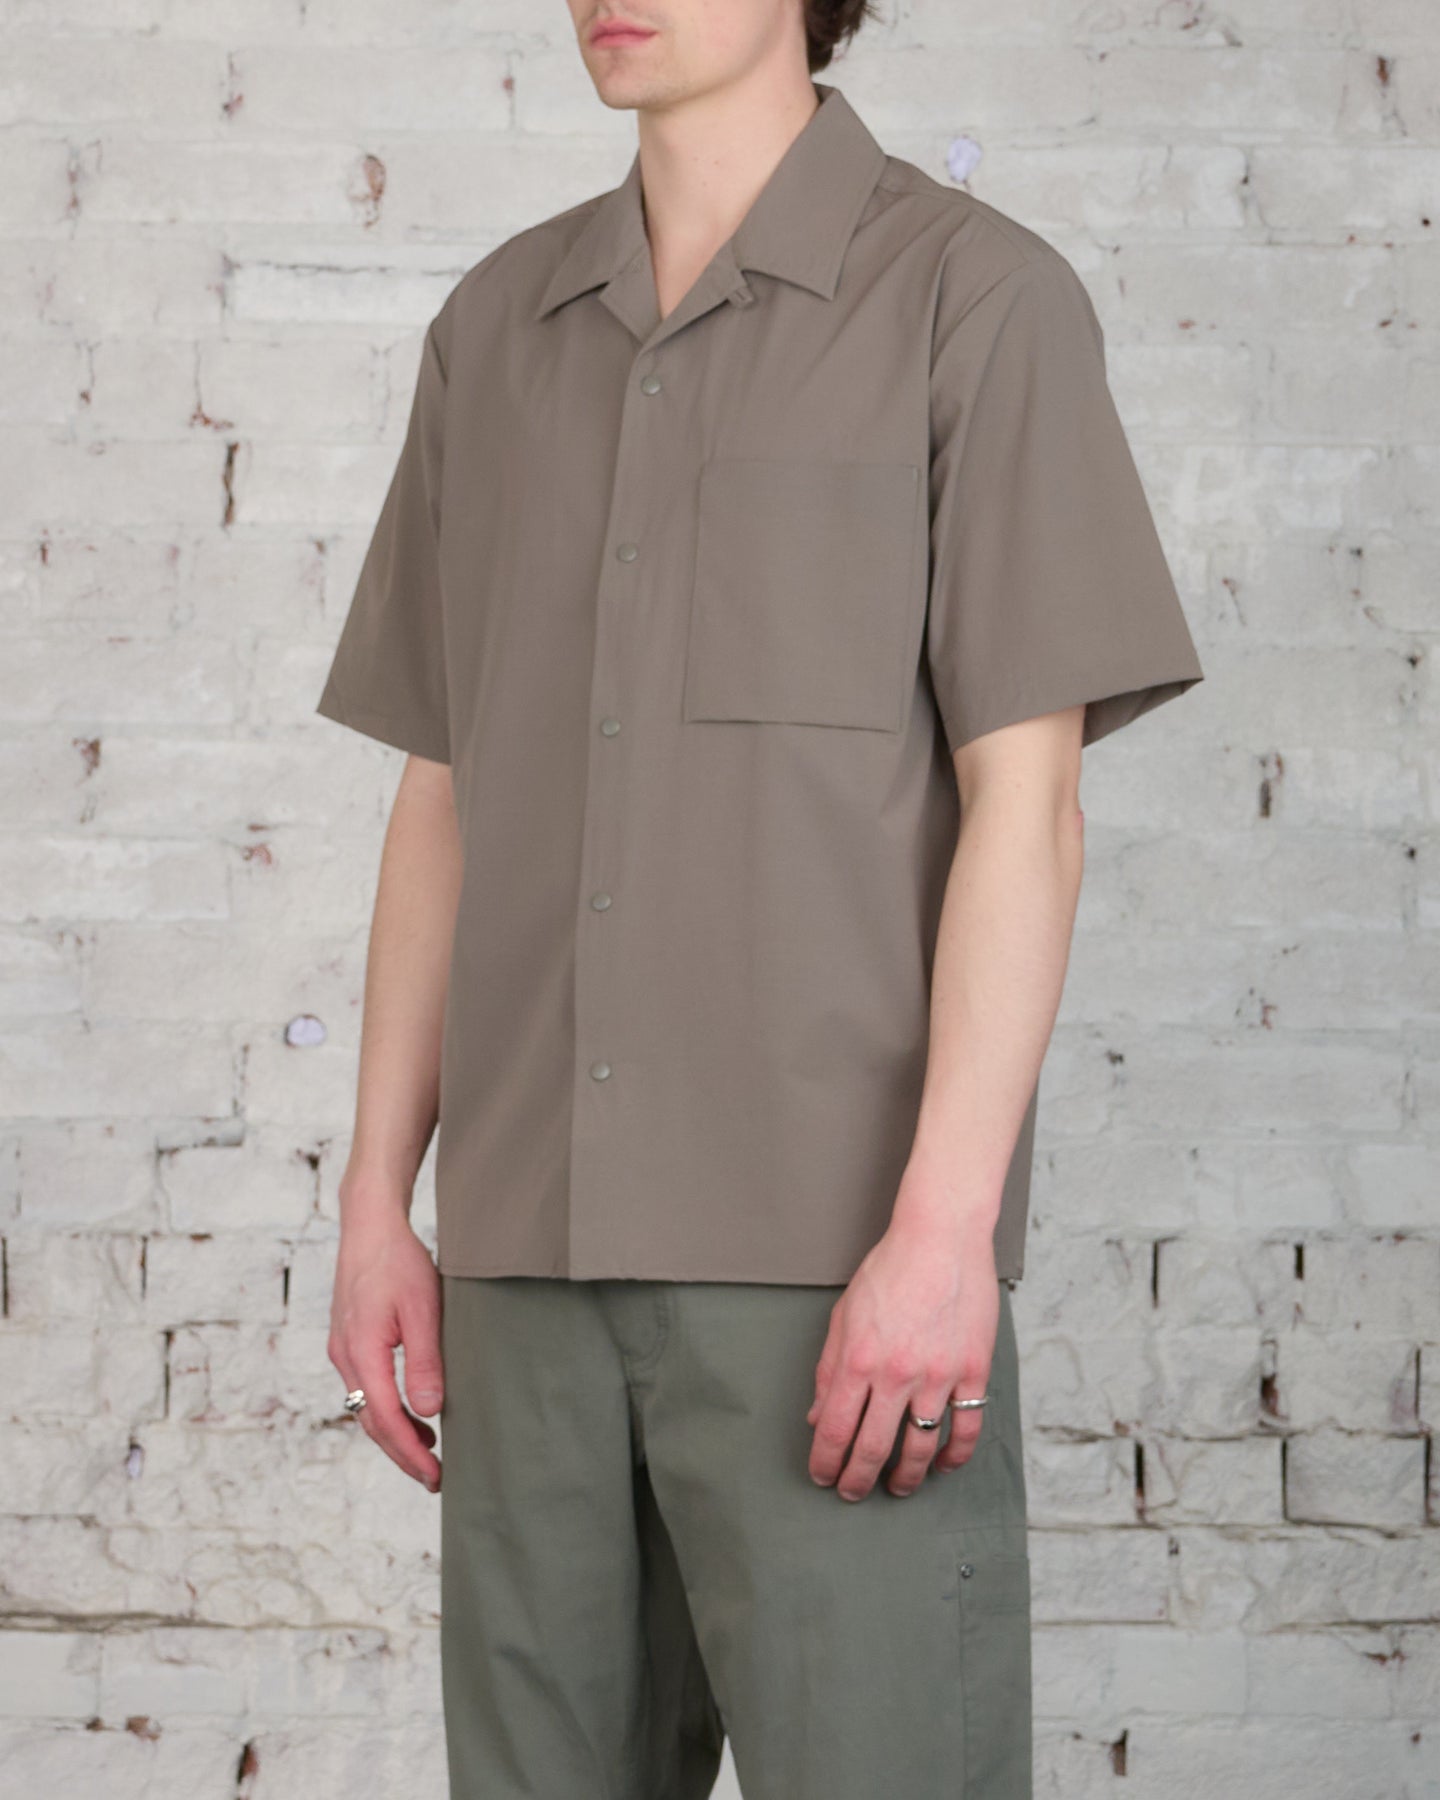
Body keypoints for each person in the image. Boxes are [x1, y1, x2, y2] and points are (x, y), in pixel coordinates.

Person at [314, 3, 1205, 1795]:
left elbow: (1026, 812)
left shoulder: (977, 302)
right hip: (524, 1263)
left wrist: (943, 1239)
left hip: (835, 1273)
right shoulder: (493, 330)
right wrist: (375, 1204)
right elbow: (446, 793)